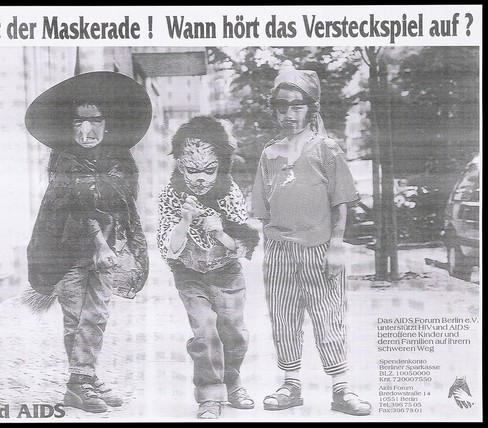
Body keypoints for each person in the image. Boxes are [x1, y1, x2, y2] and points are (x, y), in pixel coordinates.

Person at [24, 71, 152, 413]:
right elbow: (78, 211)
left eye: (95, 120)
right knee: (77, 315)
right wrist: (98, 242)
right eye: (79, 121)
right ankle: (81, 381)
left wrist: (112, 245)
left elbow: (121, 210)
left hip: (105, 251)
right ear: (70, 127)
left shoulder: (120, 163)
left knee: (96, 312)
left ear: (107, 124)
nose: (87, 130)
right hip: (65, 252)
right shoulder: (65, 163)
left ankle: (83, 379)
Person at [251, 68, 372, 416]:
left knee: (328, 315)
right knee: (284, 314)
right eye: (281, 106)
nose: (289, 114)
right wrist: (270, 248)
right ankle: (290, 384)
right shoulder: (268, 153)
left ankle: (342, 389)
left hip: (319, 248)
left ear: (312, 108)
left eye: (297, 106)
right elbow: (263, 209)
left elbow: (341, 203)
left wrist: (336, 245)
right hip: (279, 250)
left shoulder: (327, 149)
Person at [156, 116, 260, 419]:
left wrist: (221, 232)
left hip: (226, 272)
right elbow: (169, 249)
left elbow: (242, 245)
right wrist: (185, 222)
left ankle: (233, 379)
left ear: (221, 164)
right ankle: (210, 393)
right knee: (205, 332)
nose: (200, 178)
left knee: (234, 333)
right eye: (191, 170)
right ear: (178, 163)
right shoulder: (170, 196)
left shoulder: (229, 193)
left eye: (209, 170)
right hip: (189, 273)